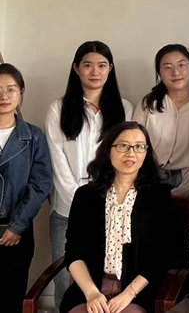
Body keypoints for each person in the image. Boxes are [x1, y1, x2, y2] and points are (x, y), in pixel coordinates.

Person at [46, 41, 133, 308]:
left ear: (110, 69)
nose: (95, 72)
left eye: (102, 65)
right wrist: (83, 200)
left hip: (112, 209)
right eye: (87, 65)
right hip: (66, 209)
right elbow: (58, 162)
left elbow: (125, 159)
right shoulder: (59, 109)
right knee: (66, 283)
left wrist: (100, 201)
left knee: (104, 283)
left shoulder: (123, 108)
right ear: (76, 69)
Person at [60, 122, 172, 313]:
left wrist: (128, 294)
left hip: (137, 292)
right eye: (123, 146)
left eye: (139, 147)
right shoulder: (85, 196)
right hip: (90, 289)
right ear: (108, 150)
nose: (131, 153)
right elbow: (73, 252)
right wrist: (92, 293)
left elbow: (160, 257)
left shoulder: (158, 196)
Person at [0, 64, 53, 313]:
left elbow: (40, 184)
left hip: (16, 231)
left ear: (21, 92)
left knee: (11, 296)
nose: (4, 96)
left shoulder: (33, 136)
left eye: (11, 89)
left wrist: (17, 226)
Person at [133, 44, 189, 196]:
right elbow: (135, 143)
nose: (176, 72)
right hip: (149, 176)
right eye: (167, 67)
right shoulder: (148, 103)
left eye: (181, 65)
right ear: (159, 72)